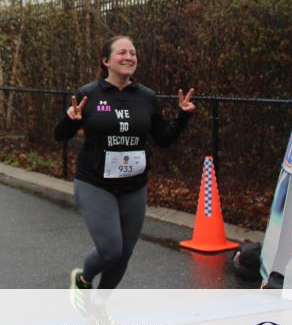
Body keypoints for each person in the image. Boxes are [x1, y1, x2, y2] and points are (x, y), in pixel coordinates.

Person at [55, 35, 195, 299]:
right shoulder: (88, 94)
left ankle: (100, 304)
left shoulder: (146, 97)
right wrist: (70, 120)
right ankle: (84, 278)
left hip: (134, 186)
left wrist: (183, 117)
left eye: (132, 53)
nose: (129, 57)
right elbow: (59, 135)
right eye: (122, 52)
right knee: (111, 249)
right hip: (95, 183)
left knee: (124, 254)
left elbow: (163, 139)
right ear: (106, 60)